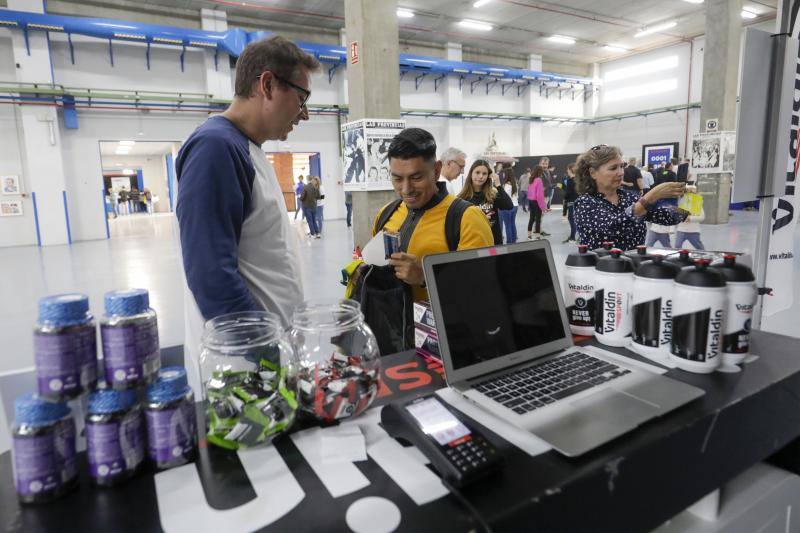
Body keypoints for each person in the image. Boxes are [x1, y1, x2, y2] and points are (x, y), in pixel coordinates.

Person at [175, 36, 320, 393]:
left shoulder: (247, 148)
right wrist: (268, 354)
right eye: (301, 99)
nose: (304, 114)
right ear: (267, 85)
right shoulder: (216, 148)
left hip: (265, 355)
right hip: (246, 365)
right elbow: (211, 275)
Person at [371, 128, 493, 303]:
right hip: (392, 325)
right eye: (397, 179)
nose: (406, 189)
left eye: (416, 177)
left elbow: (480, 287)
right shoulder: (386, 213)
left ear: (436, 171)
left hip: (445, 328)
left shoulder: (467, 219)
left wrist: (425, 276)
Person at [573, 145, 688, 251]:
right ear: (593, 173)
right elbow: (614, 226)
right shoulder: (585, 203)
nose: (621, 173)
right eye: (613, 168)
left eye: (622, 166)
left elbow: (667, 217)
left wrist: (684, 200)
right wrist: (652, 196)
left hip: (633, 268)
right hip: (599, 270)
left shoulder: (630, 198)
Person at [458, 159, 514, 245]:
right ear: (471, 174)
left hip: (493, 243)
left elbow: (509, 206)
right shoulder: (462, 198)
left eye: (484, 174)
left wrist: (498, 185)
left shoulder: (492, 194)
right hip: (473, 243)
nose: (481, 176)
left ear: (488, 176)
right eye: (477, 172)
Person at [674, 185, 706, 249]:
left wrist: (690, 218)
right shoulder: (680, 203)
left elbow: (702, 217)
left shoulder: (697, 204)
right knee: (677, 246)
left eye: (692, 192)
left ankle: (704, 255)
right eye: (688, 191)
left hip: (693, 230)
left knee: (699, 247)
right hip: (681, 229)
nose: (690, 194)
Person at [527, 166, 549, 240]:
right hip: (536, 202)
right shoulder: (539, 180)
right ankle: (537, 236)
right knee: (538, 219)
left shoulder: (531, 179)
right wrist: (544, 207)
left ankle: (529, 235)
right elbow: (539, 195)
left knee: (531, 218)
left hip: (530, 201)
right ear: (540, 172)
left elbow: (529, 192)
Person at [500, 171, 519, 244]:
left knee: (507, 225)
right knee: (512, 223)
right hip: (515, 205)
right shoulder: (515, 185)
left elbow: (503, 197)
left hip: (507, 207)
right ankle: (513, 241)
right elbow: (517, 196)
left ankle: (509, 242)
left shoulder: (506, 186)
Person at [562, 163, 578, 243]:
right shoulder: (579, 179)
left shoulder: (569, 180)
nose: (567, 171)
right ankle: (574, 236)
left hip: (571, 202)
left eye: (568, 169)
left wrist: (565, 198)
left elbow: (568, 193)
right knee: (576, 220)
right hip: (578, 202)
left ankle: (572, 238)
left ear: (571, 170)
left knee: (571, 219)